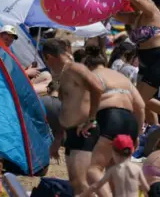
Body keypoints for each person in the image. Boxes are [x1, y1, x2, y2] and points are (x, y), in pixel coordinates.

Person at [79, 46, 146, 197]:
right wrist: (138, 132)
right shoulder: (121, 77)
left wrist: (88, 121)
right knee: (115, 167)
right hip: (131, 121)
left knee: (93, 169)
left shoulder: (92, 76)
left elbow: (85, 103)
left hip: (111, 117)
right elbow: (141, 106)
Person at [108, 0, 160, 125]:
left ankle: (130, 132)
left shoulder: (153, 12)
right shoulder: (135, 18)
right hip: (145, 62)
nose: (132, 2)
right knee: (145, 100)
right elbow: (114, 14)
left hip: (158, 60)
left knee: (137, 101)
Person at [40, 39, 100, 193]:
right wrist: (59, 137)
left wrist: (92, 118)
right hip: (70, 132)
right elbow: (66, 108)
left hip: (83, 131)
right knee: (75, 182)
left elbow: (98, 88)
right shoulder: (64, 74)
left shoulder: (75, 68)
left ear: (49, 57)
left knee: (81, 182)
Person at [79, 135, 149, 197]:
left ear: (114, 153)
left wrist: (81, 195)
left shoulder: (113, 170)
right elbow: (146, 187)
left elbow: (96, 186)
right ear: (132, 150)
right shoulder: (137, 169)